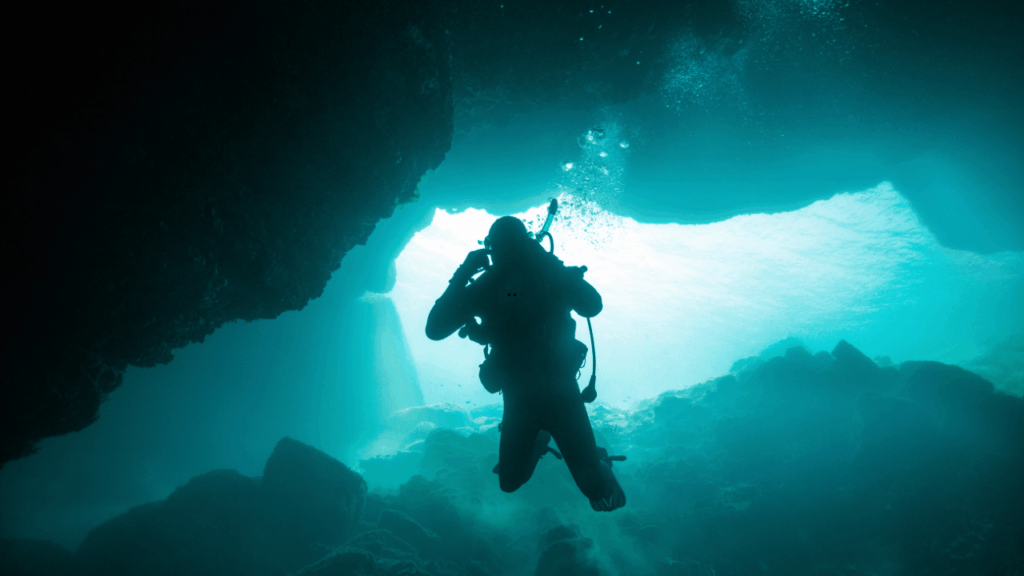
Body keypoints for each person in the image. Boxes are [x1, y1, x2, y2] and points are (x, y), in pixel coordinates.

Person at [425, 215, 626, 512]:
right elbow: (435, 330)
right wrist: (466, 273)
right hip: (524, 396)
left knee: (597, 492)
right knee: (509, 482)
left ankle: (593, 461)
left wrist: (465, 272)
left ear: (492, 248)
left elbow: (592, 305)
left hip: (559, 392)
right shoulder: (495, 284)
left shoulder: (534, 277)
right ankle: (543, 439)